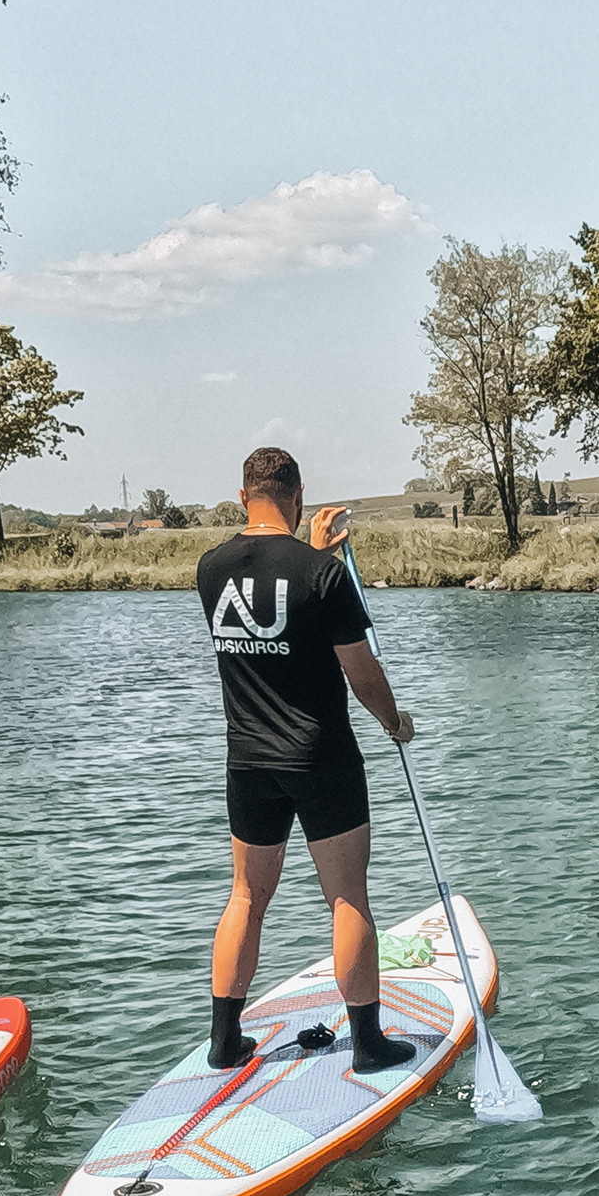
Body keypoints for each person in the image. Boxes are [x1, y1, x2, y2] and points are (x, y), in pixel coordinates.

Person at [198, 447, 419, 1073]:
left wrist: (316, 558)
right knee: (348, 898)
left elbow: (275, 606)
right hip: (320, 757)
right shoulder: (324, 575)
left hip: (247, 761)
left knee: (245, 896)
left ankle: (224, 1041)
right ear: (297, 495)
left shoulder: (209, 567)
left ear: (243, 496)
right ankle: (370, 1045)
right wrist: (394, 723)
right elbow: (361, 672)